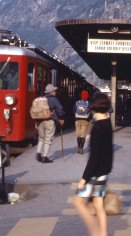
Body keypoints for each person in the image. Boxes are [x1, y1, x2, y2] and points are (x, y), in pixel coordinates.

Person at [72, 92, 113, 236]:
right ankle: (103, 233)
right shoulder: (107, 123)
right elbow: (108, 151)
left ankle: (95, 232)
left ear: (93, 107)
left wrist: (84, 178)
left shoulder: (97, 128)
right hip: (103, 172)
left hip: (94, 174)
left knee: (77, 202)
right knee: (98, 204)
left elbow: (94, 157)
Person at [36, 84, 65, 163]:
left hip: (41, 121)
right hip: (50, 120)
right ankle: (44, 157)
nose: (55, 91)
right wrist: (62, 116)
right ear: (51, 91)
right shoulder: (54, 99)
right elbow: (60, 109)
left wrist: (36, 122)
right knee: (48, 139)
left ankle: (38, 154)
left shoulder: (41, 98)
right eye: (54, 90)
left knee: (41, 137)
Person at [74, 90, 91, 154]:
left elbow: (74, 110)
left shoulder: (77, 102)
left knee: (78, 134)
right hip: (85, 120)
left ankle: (78, 147)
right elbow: (90, 111)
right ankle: (81, 148)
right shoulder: (88, 103)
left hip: (77, 120)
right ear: (87, 96)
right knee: (83, 135)